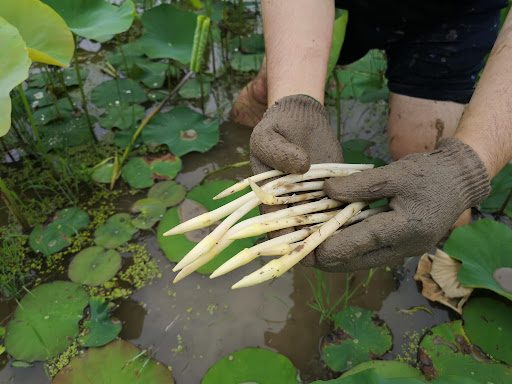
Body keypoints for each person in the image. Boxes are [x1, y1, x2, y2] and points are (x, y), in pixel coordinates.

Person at [232, 0, 512, 272]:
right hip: (335, 6)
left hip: (450, 15)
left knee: (434, 178)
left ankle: (450, 270)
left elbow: (457, 173)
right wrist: (294, 99)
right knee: (269, 98)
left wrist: (464, 170)